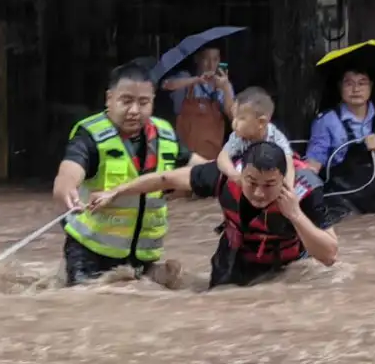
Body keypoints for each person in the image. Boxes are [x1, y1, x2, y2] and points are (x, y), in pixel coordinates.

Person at [87, 142, 338, 289]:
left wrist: (295, 215)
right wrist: (116, 192)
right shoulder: (227, 176)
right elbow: (167, 178)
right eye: (252, 183)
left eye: (269, 184)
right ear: (242, 174)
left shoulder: (307, 188)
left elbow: (329, 254)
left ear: (284, 179)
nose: (259, 193)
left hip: (288, 265)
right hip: (235, 258)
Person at [52, 61, 205, 287]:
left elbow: (201, 169)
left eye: (143, 102)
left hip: (142, 256)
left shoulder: (165, 135)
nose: (134, 111)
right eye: (126, 101)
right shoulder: (90, 135)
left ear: (153, 102)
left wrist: (235, 174)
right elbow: (70, 170)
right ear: (109, 99)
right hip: (89, 253)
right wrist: (66, 189)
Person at [305, 68, 375, 217]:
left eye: (362, 83)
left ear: (370, 86)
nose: (356, 89)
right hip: (339, 200)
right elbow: (313, 164)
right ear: (340, 87)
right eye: (349, 84)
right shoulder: (326, 121)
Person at [160, 46, 235, 159]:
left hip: (212, 154)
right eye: (206, 59)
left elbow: (233, 116)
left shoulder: (222, 84)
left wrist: (226, 88)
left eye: (215, 59)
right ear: (197, 59)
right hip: (187, 155)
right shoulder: (185, 78)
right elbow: (166, 85)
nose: (211, 65)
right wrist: (196, 80)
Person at [217, 86, 295, 188]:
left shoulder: (276, 137)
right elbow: (223, 157)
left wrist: (288, 187)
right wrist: (234, 175)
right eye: (234, 117)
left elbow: (289, 162)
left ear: (261, 122)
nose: (234, 123)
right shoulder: (239, 137)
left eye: (241, 118)